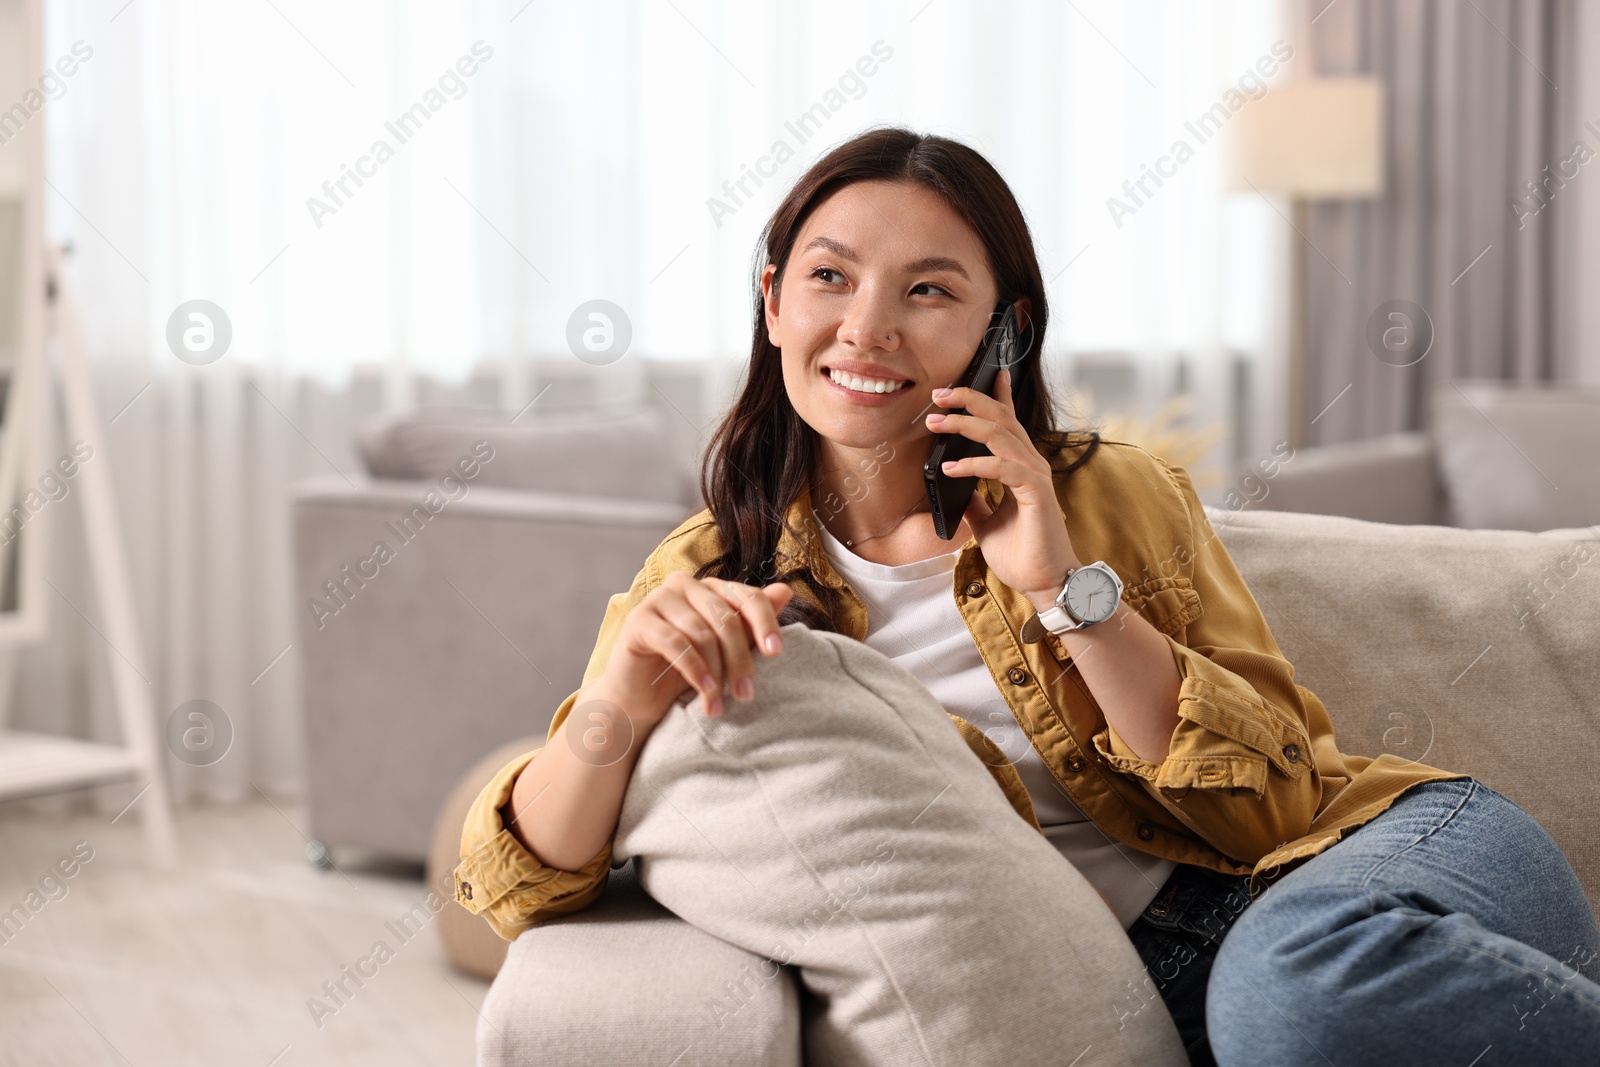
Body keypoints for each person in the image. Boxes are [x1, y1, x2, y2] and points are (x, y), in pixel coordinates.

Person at [454, 126, 1600, 1065]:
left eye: (929, 290)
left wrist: (1058, 586)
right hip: (1159, 984)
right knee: (1270, 1016)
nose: (867, 326)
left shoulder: (1105, 490)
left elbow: (1272, 804)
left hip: (1369, 864)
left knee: (1291, 988)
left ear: (1003, 330)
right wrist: (620, 686)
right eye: (829, 277)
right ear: (771, 302)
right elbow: (513, 885)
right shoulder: (713, 566)